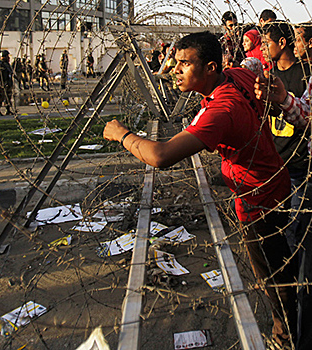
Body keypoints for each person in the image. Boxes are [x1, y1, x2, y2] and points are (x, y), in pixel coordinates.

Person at [104, 31, 297, 348]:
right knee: (279, 260)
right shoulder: (236, 76)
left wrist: (122, 134)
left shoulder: (220, 110)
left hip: (257, 199)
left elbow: (161, 155)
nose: (175, 69)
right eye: (175, 62)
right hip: (274, 179)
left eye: (184, 63)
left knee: (272, 273)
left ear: (209, 68)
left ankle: (286, 331)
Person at [261, 21, 311, 252]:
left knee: (298, 230)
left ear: (282, 43)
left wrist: (282, 100)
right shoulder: (268, 74)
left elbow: (306, 117)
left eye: (266, 43)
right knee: (281, 225)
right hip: (276, 160)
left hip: (299, 161)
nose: (262, 48)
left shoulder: (305, 75)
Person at [0, 49, 14, 115]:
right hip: (2, 83)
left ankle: (8, 110)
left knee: (8, 97)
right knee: (1, 97)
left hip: (8, 83)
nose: (8, 57)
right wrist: (1, 83)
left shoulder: (7, 64)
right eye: (7, 56)